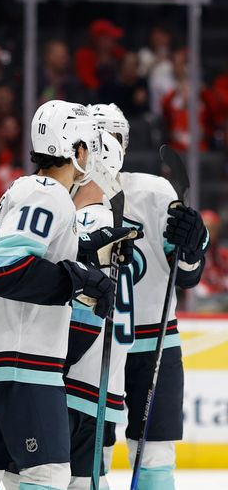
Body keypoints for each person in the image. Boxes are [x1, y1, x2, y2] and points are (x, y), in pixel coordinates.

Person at [0, 100, 120, 490]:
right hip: (22, 359)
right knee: (47, 475)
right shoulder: (50, 194)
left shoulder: (22, 190)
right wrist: (80, 280)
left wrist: (82, 259)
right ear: (76, 149)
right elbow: (8, 268)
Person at [91, 103, 209, 490]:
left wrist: (191, 248)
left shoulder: (155, 190)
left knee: (155, 456)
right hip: (92, 346)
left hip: (154, 341)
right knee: (91, 456)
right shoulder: (70, 197)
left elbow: (188, 276)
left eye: (114, 139)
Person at [63, 132, 139, 490]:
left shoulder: (85, 220)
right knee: (87, 477)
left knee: (37, 474)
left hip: (74, 371)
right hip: (104, 376)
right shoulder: (114, 221)